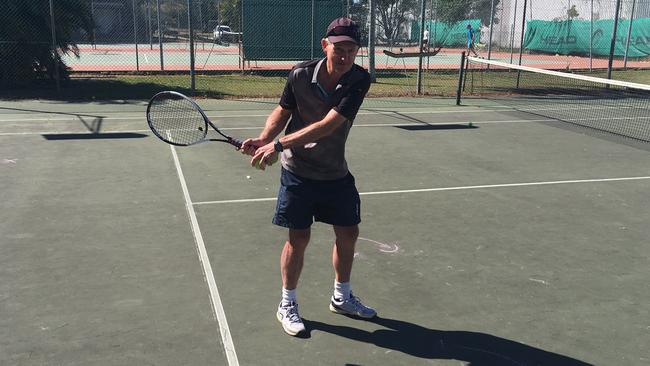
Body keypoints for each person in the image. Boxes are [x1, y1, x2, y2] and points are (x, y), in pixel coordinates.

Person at [239, 17, 376, 337]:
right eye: (338, 48)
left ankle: (342, 297)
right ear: (325, 45)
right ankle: (287, 303)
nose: (344, 56)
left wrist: (277, 144)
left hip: (334, 171)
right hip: (297, 171)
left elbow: (330, 124)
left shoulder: (359, 79)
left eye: (351, 50)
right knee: (298, 239)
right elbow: (283, 110)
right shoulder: (300, 74)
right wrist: (264, 137)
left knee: (348, 232)